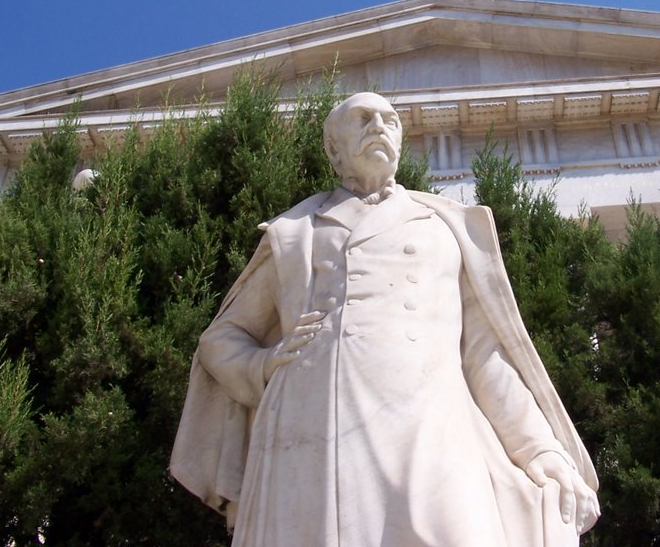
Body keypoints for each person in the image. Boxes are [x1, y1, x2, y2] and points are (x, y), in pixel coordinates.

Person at [171, 92, 600, 546]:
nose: (379, 125)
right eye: (362, 119)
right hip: (313, 427)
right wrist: (263, 366)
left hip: (434, 425)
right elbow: (222, 338)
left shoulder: (442, 227)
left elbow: (485, 358)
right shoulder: (296, 232)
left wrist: (539, 449)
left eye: (389, 120)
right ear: (333, 150)